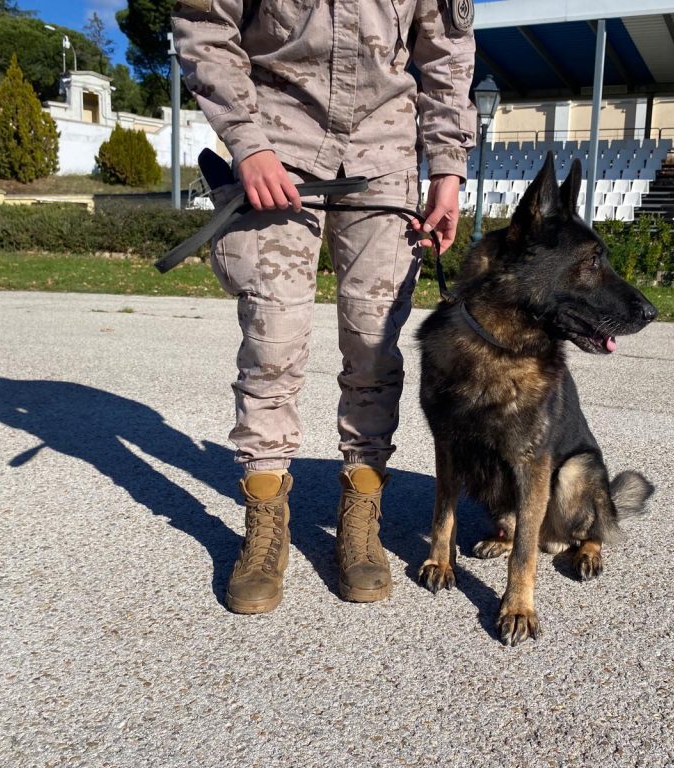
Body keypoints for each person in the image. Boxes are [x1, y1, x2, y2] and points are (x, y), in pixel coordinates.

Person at [171, 0, 476, 613]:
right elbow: (206, 26)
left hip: (385, 156)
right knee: (272, 344)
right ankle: (265, 523)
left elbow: (446, 52)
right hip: (277, 145)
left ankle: (361, 514)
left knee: (374, 349)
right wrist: (246, 142)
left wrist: (448, 166)